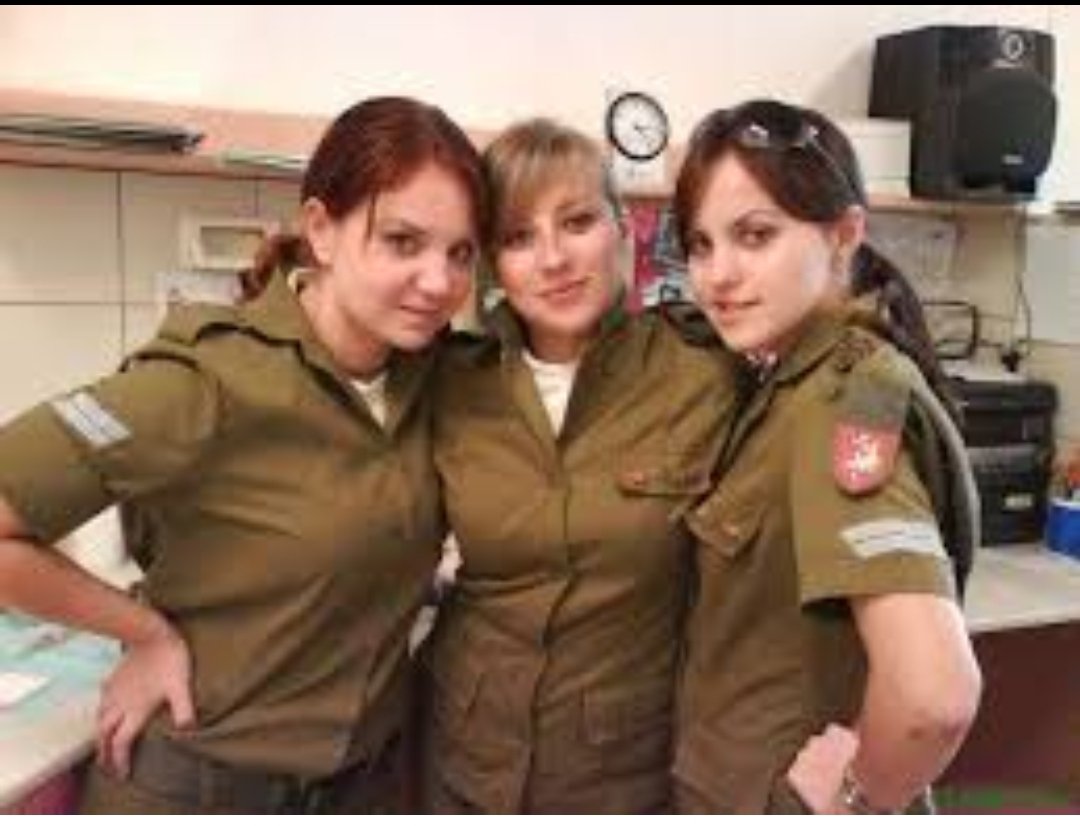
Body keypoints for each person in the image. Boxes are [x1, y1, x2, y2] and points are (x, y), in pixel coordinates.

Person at [0, 95, 488, 814]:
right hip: (202, 786)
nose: (439, 281)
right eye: (402, 241)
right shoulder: (203, 381)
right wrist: (144, 634)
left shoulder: (432, 376)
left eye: (460, 252)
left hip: (364, 782)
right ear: (320, 229)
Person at [669, 98, 983, 814]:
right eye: (701, 245)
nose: (718, 275)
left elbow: (934, 698)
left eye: (755, 236)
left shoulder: (841, 399)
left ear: (844, 235)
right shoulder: (788, 380)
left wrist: (856, 800)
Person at [419, 118, 736, 813]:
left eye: (577, 221)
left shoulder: (709, 376)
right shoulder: (448, 380)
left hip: (622, 777)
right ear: (492, 264)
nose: (553, 259)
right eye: (518, 237)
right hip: (460, 760)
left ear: (625, 229)